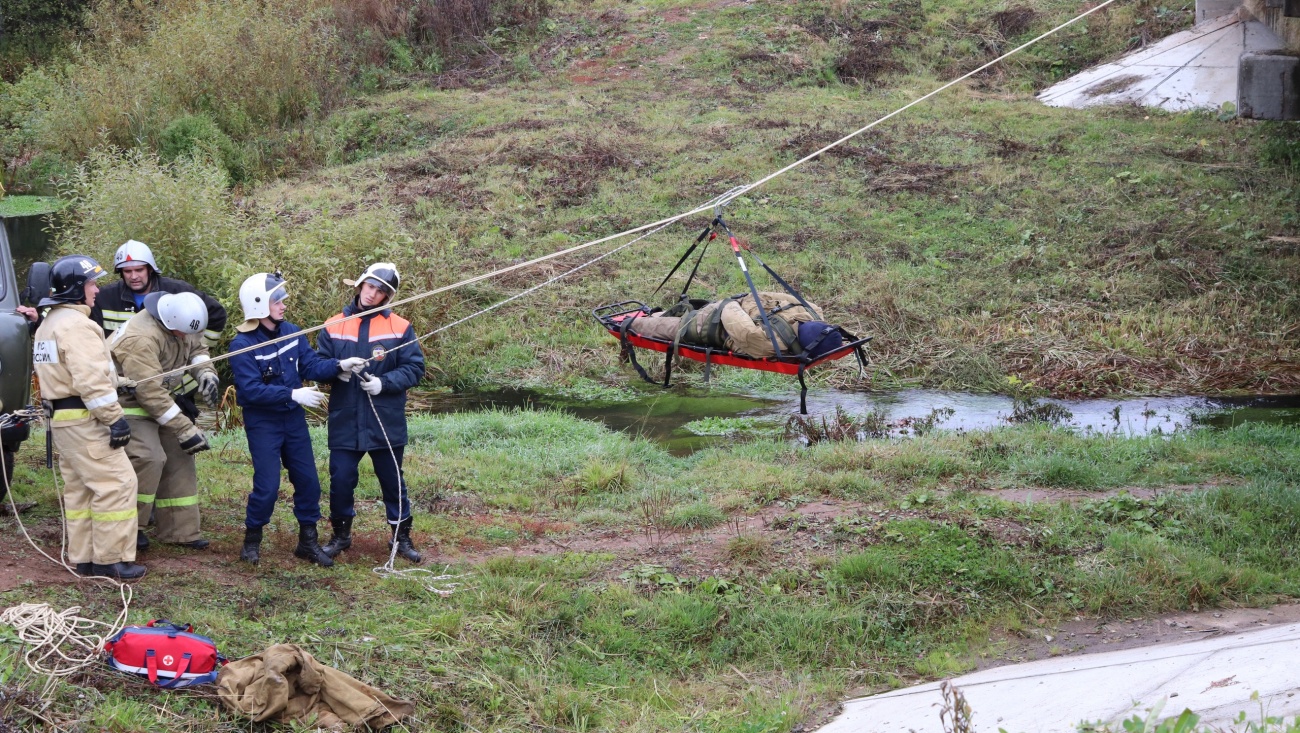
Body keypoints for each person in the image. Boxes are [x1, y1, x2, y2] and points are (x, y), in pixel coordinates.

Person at [227, 272, 367, 567]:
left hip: (293, 422)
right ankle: (252, 540)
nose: (283, 305)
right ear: (259, 305)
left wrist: (338, 364)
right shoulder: (241, 345)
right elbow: (250, 391)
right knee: (266, 487)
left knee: (309, 483)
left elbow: (311, 364)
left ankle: (308, 542)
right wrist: (292, 394)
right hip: (263, 423)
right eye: (277, 300)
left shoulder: (291, 331)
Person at [32, 255, 144, 580]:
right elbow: (89, 380)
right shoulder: (77, 326)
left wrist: (118, 382)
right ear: (77, 289)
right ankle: (111, 560)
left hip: (63, 422)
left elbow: (68, 376)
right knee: (117, 484)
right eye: (92, 283)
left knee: (80, 489)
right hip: (85, 421)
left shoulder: (48, 324)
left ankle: (85, 558)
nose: (97, 289)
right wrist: (114, 419)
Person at [315, 263, 426, 564]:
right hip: (345, 420)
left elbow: (415, 368)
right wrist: (337, 370)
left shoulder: (400, 327)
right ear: (360, 285)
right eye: (370, 286)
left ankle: (401, 537)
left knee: (392, 480)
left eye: (380, 291)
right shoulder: (333, 325)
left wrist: (384, 383)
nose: (372, 293)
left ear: (387, 297)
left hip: (385, 419)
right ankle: (340, 535)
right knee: (340, 480)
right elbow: (318, 365)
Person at [110, 292, 219, 551]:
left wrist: (206, 372)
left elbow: (198, 349)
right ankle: (130, 527)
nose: (184, 337)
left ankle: (180, 530)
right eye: (180, 334)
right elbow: (148, 392)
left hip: (159, 399)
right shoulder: (140, 339)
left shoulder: (184, 320)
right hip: (127, 404)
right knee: (149, 456)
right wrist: (185, 428)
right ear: (168, 324)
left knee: (182, 453)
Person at [92, 240, 228, 421]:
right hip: (127, 389)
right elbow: (93, 343)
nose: (133, 276)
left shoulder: (176, 291)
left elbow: (216, 314)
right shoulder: (104, 298)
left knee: (182, 445)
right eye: (127, 271)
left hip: (178, 390)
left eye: (139, 270)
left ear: (150, 269)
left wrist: (195, 350)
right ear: (121, 273)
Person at [628, 290, 844, 359]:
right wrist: (755, 302)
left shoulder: (768, 342)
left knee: (643, 326)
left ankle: (633, 323)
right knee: (674, 315)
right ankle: (655, 315)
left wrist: (750, 306)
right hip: (717, 316)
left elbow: (729, 309)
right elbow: (760, 295)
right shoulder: (811, 312)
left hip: (707, 328)